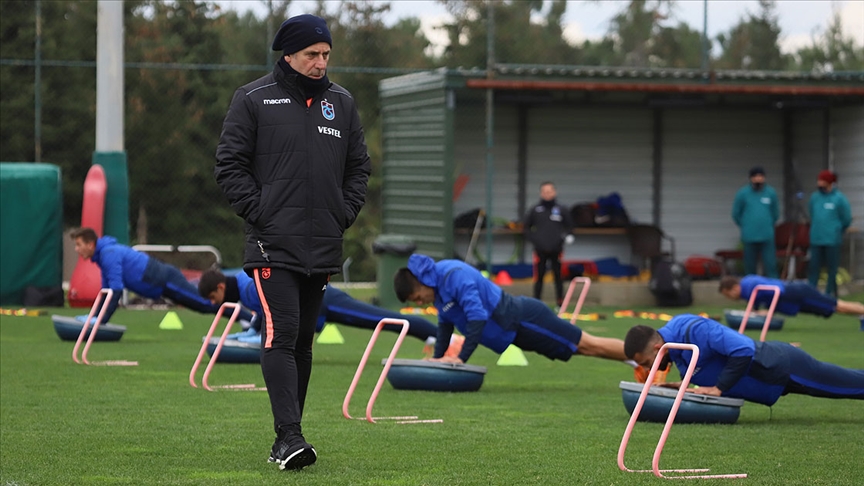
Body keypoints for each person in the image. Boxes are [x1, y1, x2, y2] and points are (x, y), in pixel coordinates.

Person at [214, 14, 371, 471]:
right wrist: (262, 212)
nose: (321, 62)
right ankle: (290, 437)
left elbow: (359, 169)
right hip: (271, 243)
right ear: (289, 55)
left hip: (322, 243)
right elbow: (229, 164)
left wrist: (342, 213)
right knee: (280, 333)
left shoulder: (342, 103)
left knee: (303, 340)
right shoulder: (253, 98)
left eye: (326, 54)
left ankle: (286, 438)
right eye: (312, 54)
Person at [393, 253, 629, 366]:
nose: (420, 303)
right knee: (581, 350)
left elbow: (477, 317)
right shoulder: (437, 291)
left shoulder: (454, 275)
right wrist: (437, 360)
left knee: (587, 344)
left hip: (526, 319)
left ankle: (640, 357)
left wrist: (460, 358)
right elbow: (445, 325)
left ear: (422, 282)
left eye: (417, 297)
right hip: (515, 332)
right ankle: (637, 361)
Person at [196, 268, 463, 356]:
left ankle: (448, 339)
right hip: (313, 305)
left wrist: (252, 337)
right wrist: (245, 335)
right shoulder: (242, 286)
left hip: (324, 300)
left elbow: (272, 312)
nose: (214, 304)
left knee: (382, 319)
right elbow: (262, 314)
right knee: (381, 321)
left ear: (221, 287)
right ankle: (438, 338)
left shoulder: (248, 286)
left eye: (212, 298)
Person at [624, 316, 864, 406]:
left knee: (845, 386)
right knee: (843, 385)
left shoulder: (694, 330)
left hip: (781, 365)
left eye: (646, 362)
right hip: (772, 380)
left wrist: (719, 388)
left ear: (657, 348)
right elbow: (707, 370)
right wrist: (678, 386)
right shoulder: (676, 349)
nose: (647, 369)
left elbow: (743, 350)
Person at [69, 227, 254, 324]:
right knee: (203, 306)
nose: (77, 249)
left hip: (165, 279)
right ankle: (248, 321)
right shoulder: (102, 257)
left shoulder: (109, 254)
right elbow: (107, 292)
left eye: (79, 245)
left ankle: (250, 321)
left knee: (206, 303)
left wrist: (100, 321)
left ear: (90, 244)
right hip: (161, 284)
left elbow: (115, 290)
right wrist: (94, 317)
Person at [718, 275, 864, 328]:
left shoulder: (749, 286)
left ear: (734, 288)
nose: (730, 298)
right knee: (832, 307)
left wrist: (767, 310)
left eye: (728, 295)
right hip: (795, 296)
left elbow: (778, 290)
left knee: (836, 306)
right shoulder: (748, 285)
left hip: (797, 293)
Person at [523, 181, 574, 307]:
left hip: (557, 249)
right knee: (539, 276)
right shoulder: (535, 210)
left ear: (554, 192)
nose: (547, 194)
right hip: (540, 249)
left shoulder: (561, 209)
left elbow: (570, 226)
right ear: (541, 193)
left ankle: (560, 304)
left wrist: (566, 237)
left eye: (549, 191)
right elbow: (526, 227)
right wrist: (535, 240)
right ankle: (536, 303)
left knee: (558, 276)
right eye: (544, 192)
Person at [807, 169, 852, 297]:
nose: (819, 183)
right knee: (814, 266)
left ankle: (829, 293)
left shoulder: (839, 198)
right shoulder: (815, 197)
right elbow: (811, 213)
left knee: (832, 267)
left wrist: (837, 229)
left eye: (822, 181)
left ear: (829, 182)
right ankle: (811, 292)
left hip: (832, 239)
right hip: (816, 238)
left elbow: (846, 219)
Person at [732, 166, 780, 278]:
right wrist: (746, 225)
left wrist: (767, 224)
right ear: (751, 178)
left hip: (767, 236)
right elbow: (736, 214)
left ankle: (774, 287)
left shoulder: (771, 193)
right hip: (749, 236)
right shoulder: (743, 194)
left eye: (760, 176)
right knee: (750, 267)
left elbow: (775, 214)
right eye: (755, 177)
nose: (758, 179)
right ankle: (751, 288)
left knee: (771, 265)